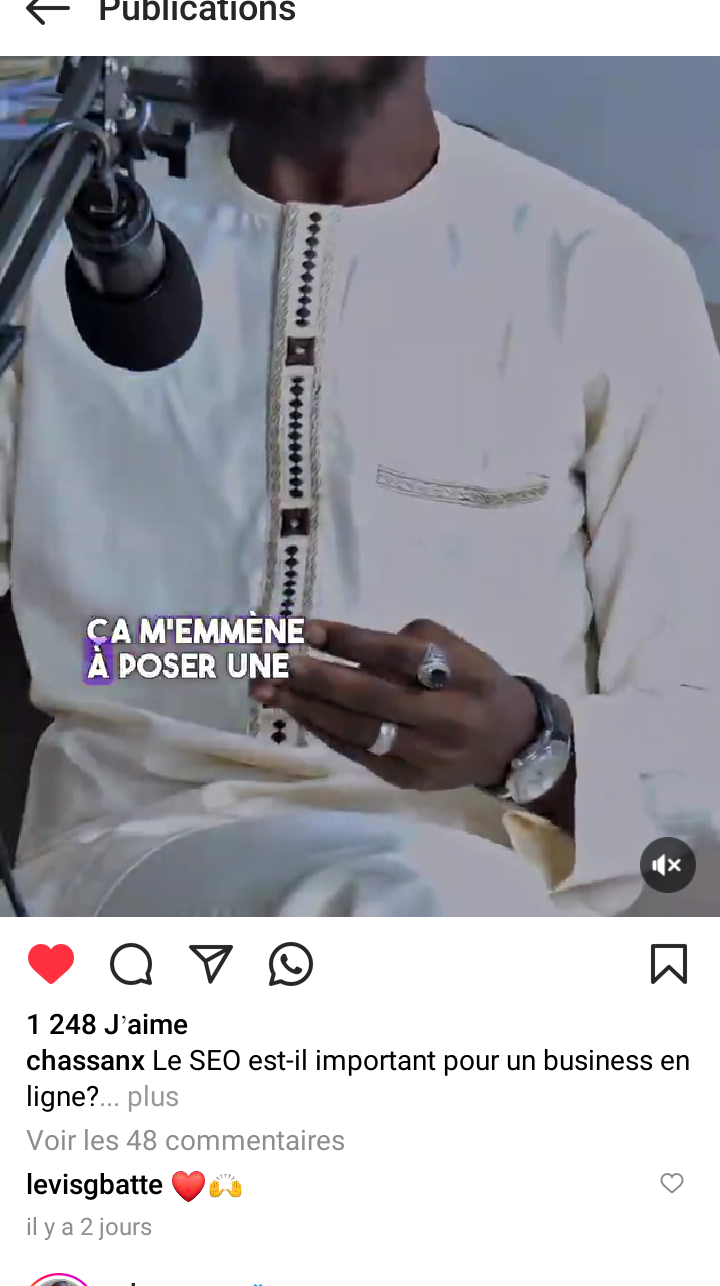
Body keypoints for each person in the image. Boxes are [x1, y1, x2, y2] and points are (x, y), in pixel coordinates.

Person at [1, 56, 719, 917]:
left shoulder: (610, 275)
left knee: (422, 898)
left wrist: (529, 745)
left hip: (480, 896)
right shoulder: (51, 234)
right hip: (121, 860)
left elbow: (697, 729)